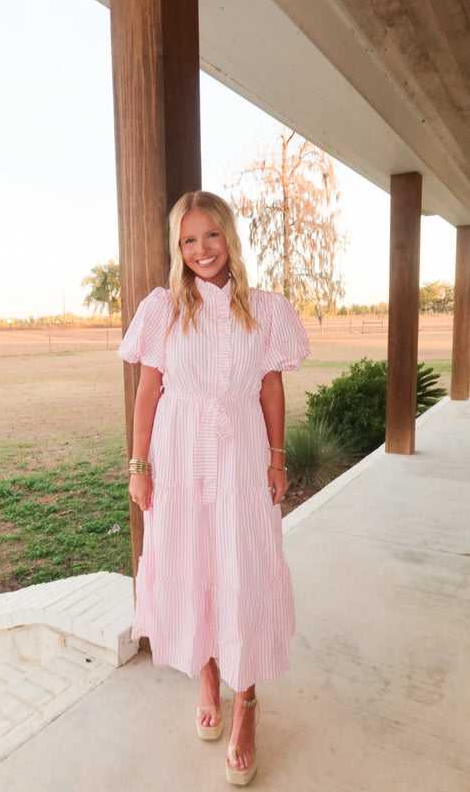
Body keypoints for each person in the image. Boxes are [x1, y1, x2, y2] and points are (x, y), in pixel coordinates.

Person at [118, 190, 309, 785]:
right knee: (192, 562)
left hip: (242, 456)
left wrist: (277, 460)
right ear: (178, 249)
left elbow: (271, 391)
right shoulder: (162, 308)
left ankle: (246, 699)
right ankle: (206, 677)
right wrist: (139, 464)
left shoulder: (267, 310)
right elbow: (148, 391)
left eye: (212, 236)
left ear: (230, 237)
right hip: (177, 459)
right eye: (188, 240)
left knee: (241, 565)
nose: (202, 250)